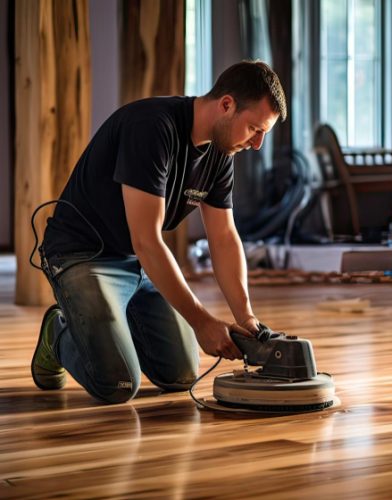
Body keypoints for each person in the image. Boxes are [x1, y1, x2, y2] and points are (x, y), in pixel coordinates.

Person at [31, 60, 287, 404]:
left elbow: (224, 237)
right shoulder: (152, 127)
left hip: (136, 261)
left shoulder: (220, 153)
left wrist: (246, 316)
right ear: (227, 104)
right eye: (255, 129)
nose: (257, 144)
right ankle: (58, 332)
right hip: (81, 255)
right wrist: (200, 320)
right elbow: (148, 240)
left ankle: (108, 332)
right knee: (117, 383)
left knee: (181, 375)